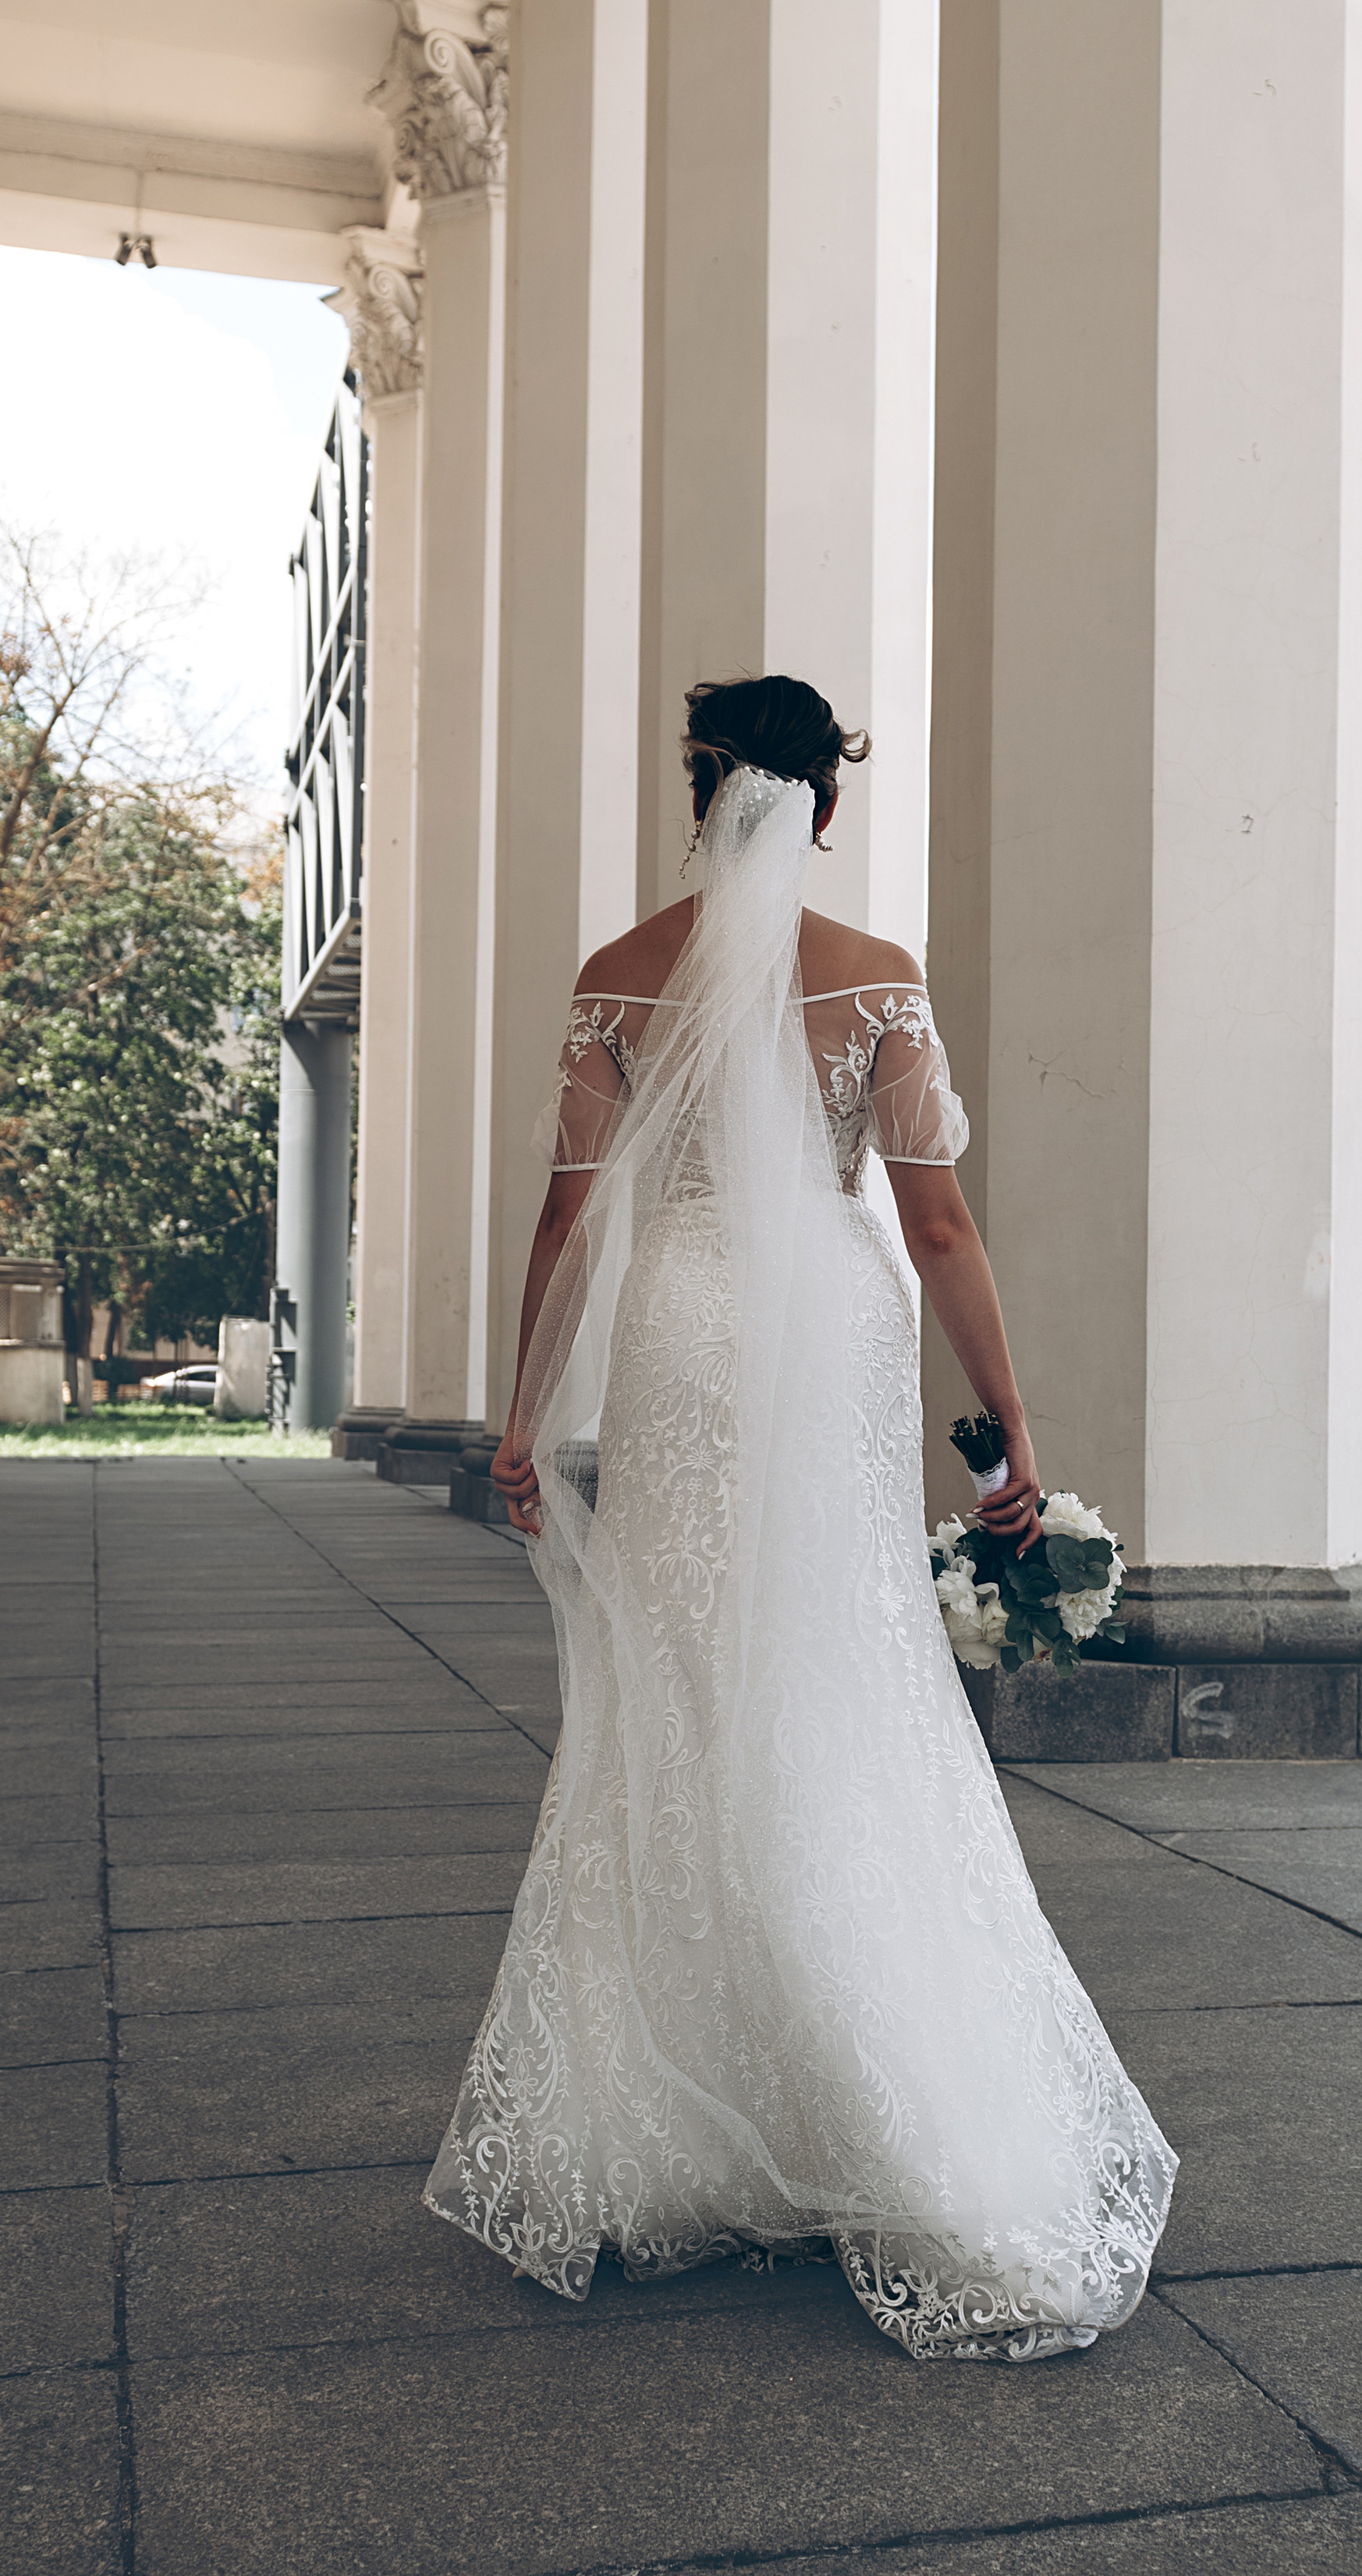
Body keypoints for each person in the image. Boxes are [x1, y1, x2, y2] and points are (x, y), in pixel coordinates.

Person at [424, 676, 1176, 2359]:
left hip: (682, 1326)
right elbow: (940, 1228)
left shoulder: (621, 971)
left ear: (698, 791)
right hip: (831, 1334)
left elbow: (564, 1221)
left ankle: (676, 2118)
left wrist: (524, 1415)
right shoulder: (872, 978)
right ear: (822, 799)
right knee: (839, 1671)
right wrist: (1011, 1441)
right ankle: (887, 2098)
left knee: (686, 1670)